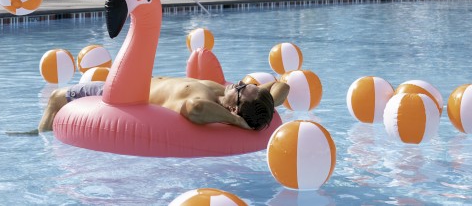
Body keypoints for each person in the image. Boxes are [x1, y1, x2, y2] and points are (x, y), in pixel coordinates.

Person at [38, 77, 288, 133]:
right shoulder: (226, 94)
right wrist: (269, 103)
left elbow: (195, 110)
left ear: (235, 110)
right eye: (246, 81)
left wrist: (237, 122)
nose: (240, 82)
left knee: (56, 98)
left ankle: (41, 136)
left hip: (122, 93)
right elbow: (282, 86)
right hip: (132, 82)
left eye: (242, 88)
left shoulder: (204, 102)